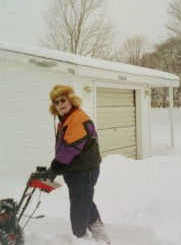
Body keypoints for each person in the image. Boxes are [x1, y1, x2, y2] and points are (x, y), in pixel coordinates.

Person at [43, 85, 111, 244]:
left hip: (83, 171)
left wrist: (53, 169)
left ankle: (80, 238)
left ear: (71, 100)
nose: (60, 104)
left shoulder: (77, 118)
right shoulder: (67, 119)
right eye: (56, 102)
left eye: (63, 100)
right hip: (78, 171)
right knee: (85, 200)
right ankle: (99, 232)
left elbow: (70, 149)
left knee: (79, 207)